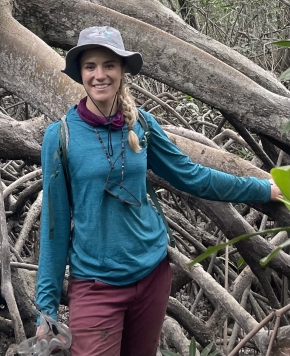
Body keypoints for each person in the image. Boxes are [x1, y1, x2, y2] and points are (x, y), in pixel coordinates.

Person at [35, 26, 282, 356]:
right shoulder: (61, 136)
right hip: (96, 286)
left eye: (109, 65)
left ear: (122, 71)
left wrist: (261, 188)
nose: (100, 75)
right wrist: (46, 310)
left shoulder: (142, 125)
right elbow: (54, 228)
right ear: (80, 73)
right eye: (90, 66)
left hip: (152, 275)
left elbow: (191, 176)